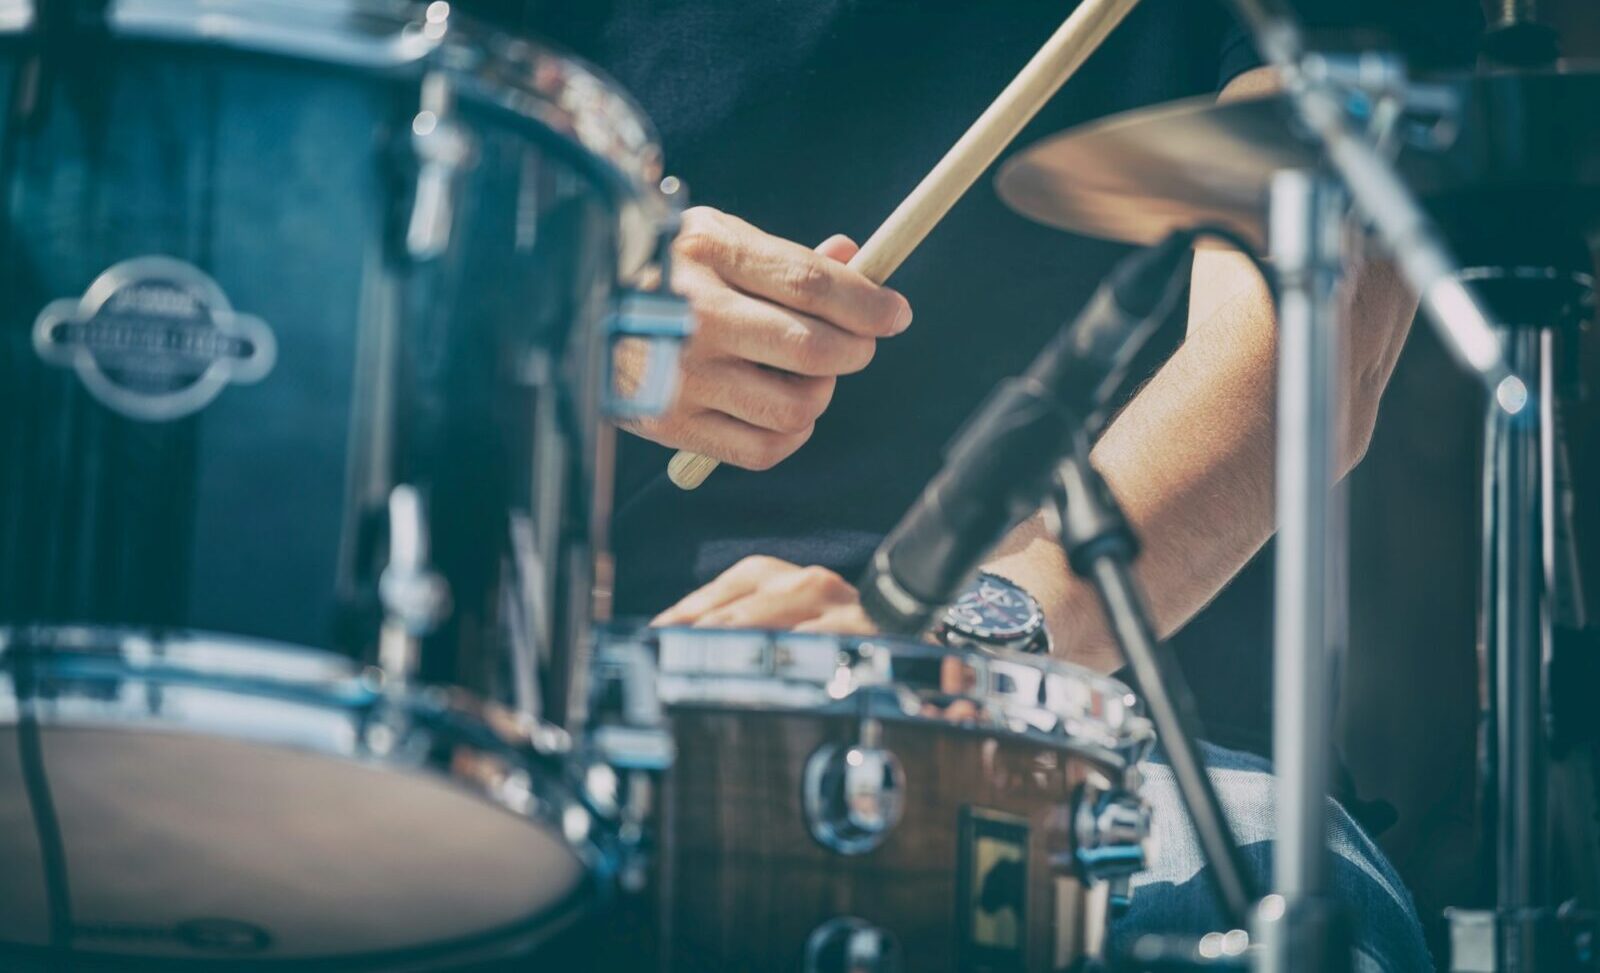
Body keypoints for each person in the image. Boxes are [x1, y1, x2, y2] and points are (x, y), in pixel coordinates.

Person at [475, 1, 1484, 967]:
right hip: (579, 692)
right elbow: (357, 269)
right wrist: (570, 309)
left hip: (1112, 725)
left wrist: (971, 649)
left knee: (1272, 909)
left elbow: (1304, 342)